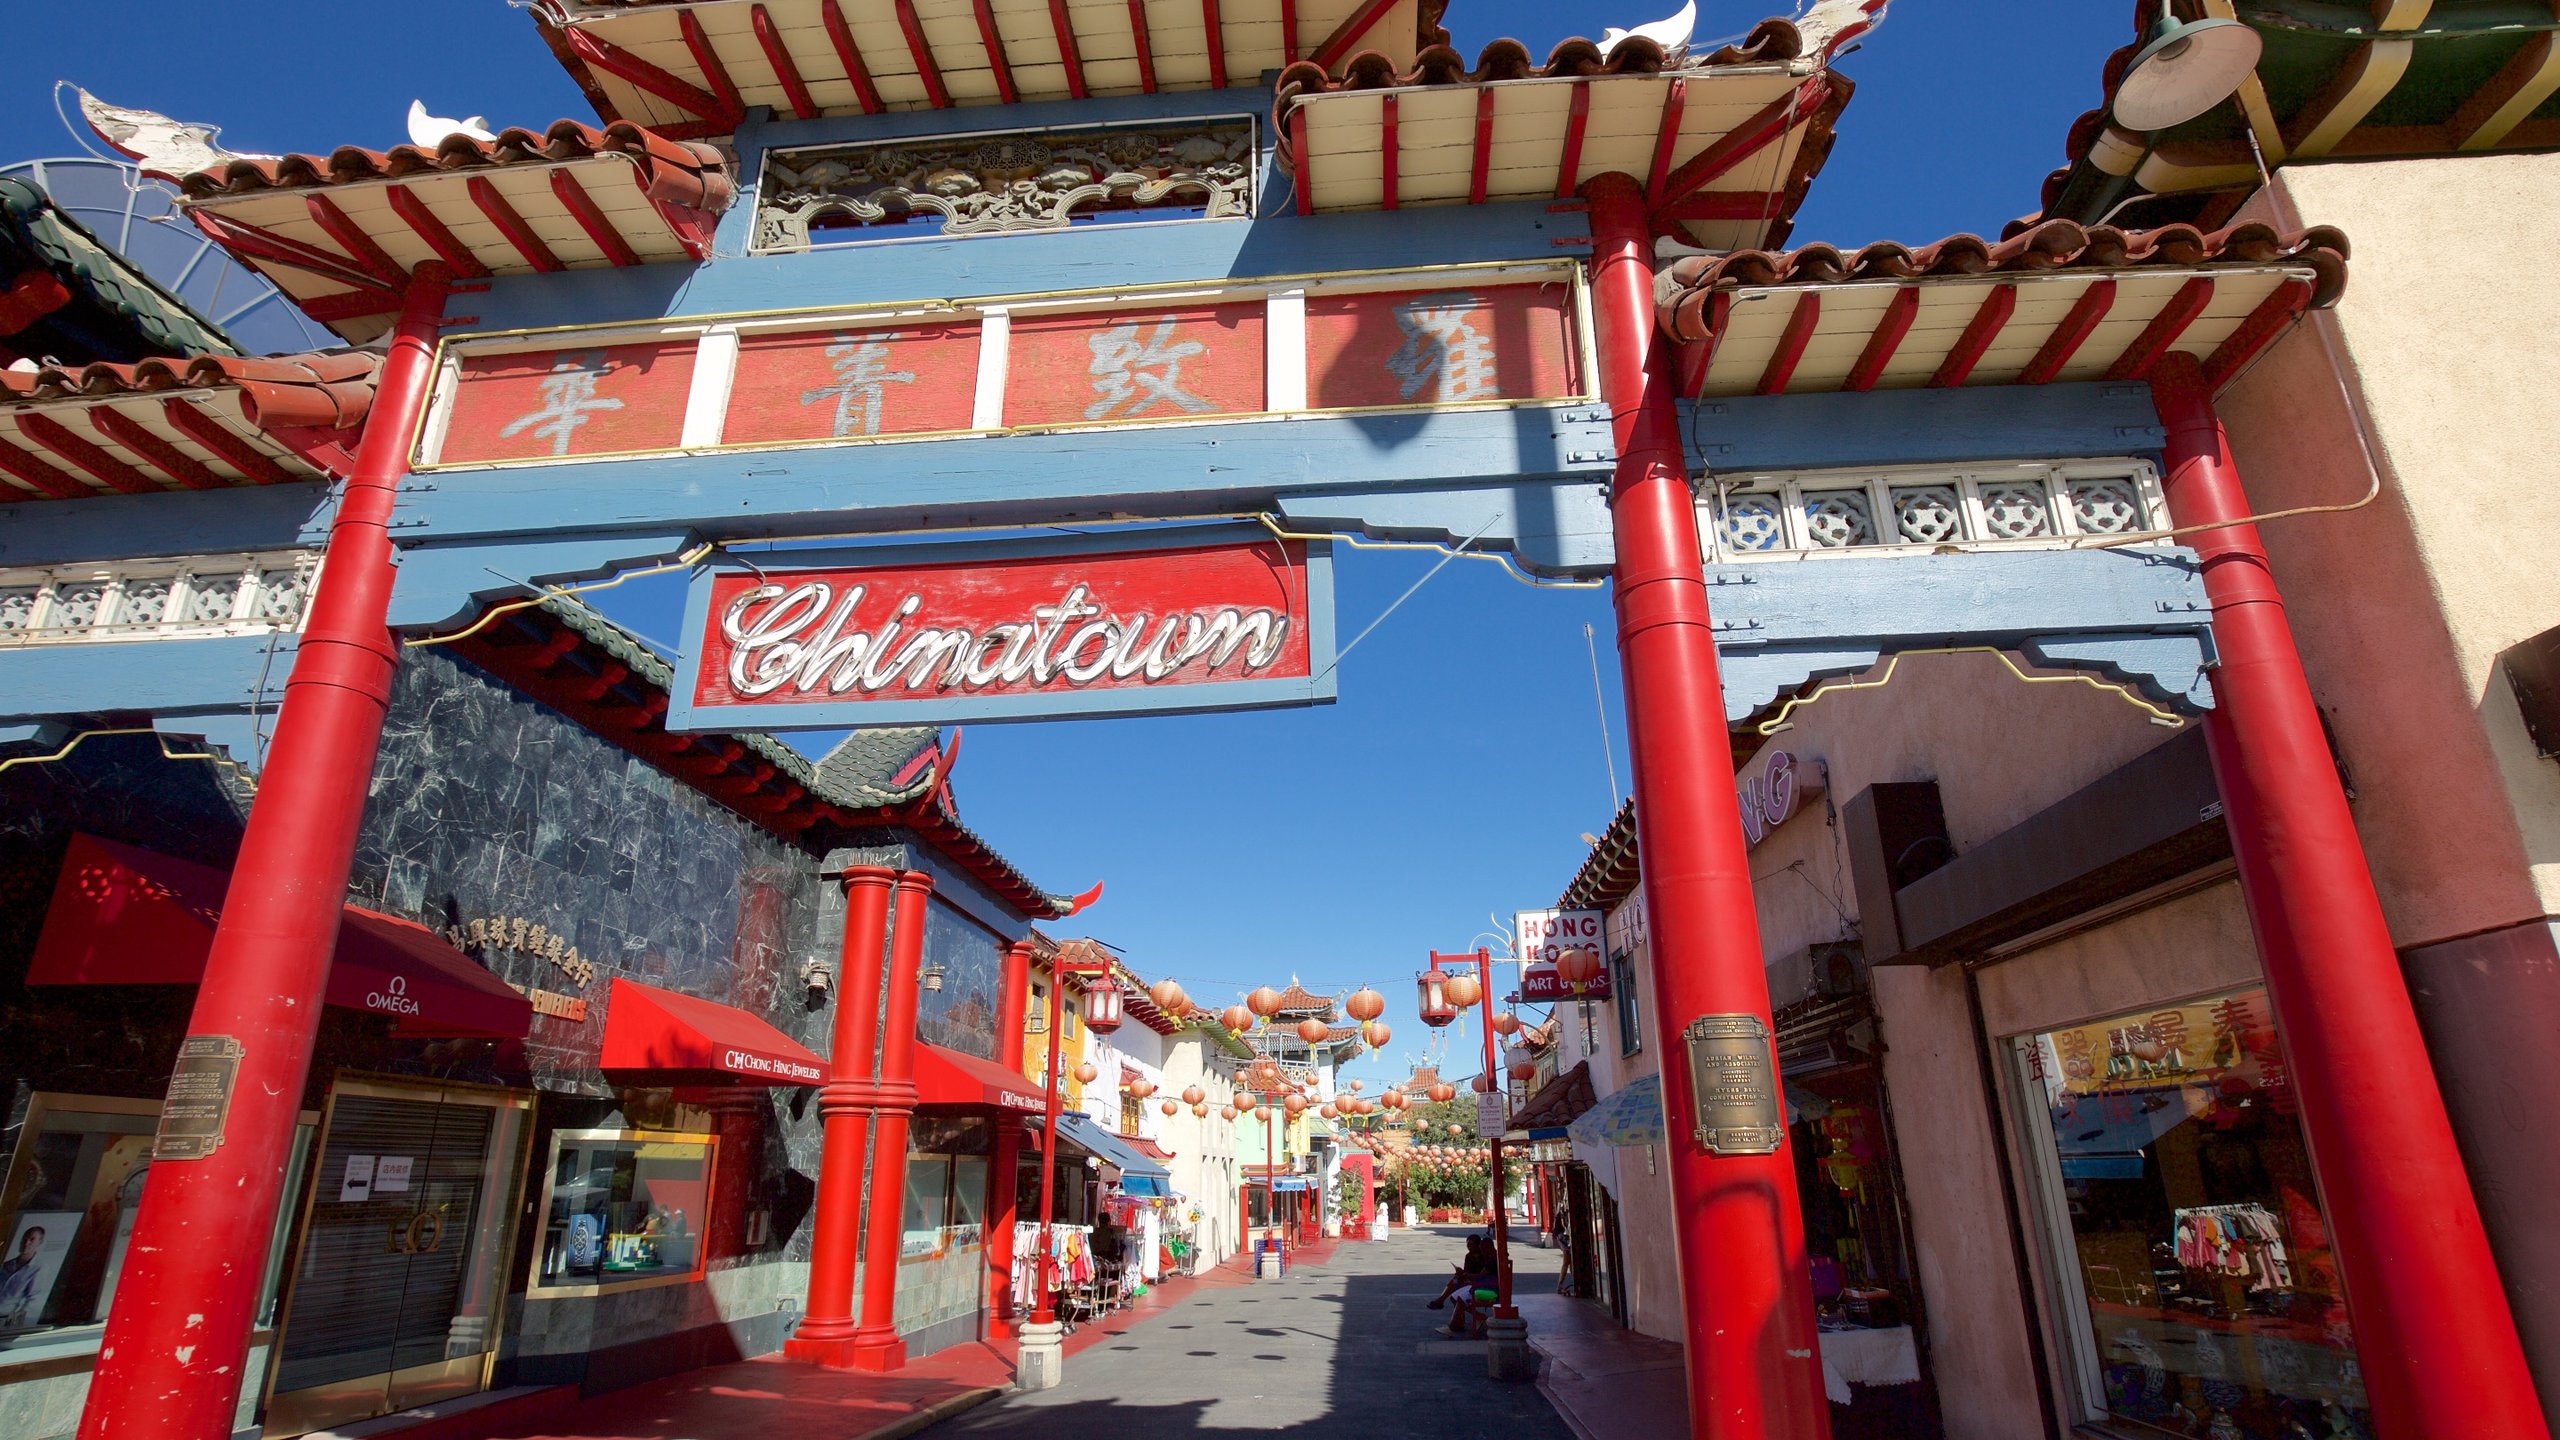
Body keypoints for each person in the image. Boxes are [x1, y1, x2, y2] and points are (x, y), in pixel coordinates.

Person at [1427, 1234, 1492, 1310]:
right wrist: (1461, 1273)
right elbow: (1467, 1270)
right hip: (1471, 1279)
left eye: (1471, 1245)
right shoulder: (1468, 1256)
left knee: (1457, 1295)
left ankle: (1441, 1300)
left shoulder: (1486, 1257)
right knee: (1455, 1280)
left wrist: (1466, 1275)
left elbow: (1482, 1275)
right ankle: (1441, 1300)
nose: (1469, 1247)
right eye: (1467, 1245)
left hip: (1481, 1282)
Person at [0, 1226, 46, 1328]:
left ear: (40, 1242)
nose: (26, 1243)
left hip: (7, 1320)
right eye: (25, 1238)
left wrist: (14, 1327)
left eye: (32, 1239)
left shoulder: (38, 1269)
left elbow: (33, 1301)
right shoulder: (7, 1264)